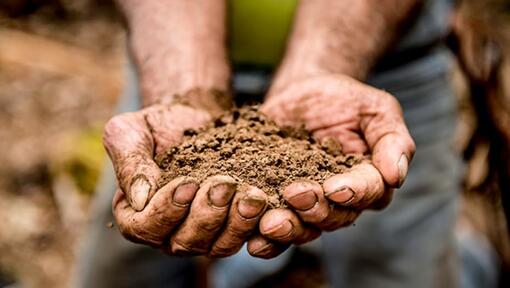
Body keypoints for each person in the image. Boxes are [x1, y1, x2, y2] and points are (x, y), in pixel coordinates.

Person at [74, 0, 462, 287]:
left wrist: (318, 69)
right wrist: (185, 88)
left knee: (401, 270)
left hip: (390, 66)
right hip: (167, 61)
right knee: (130, 259)